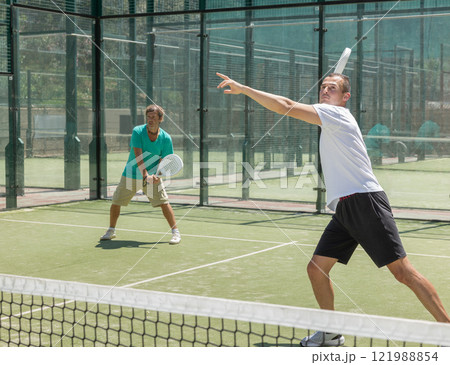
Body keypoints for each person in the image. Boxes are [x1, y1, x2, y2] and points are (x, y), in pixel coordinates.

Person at [216, 72, 449, 346]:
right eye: (324, 87)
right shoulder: (329, 118)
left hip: (365, 201)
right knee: (316, 269)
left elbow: (286, 105)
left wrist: (245, 89)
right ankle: (330, 332)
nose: (326, 91)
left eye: (333, 88)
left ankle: (446, 329)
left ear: (345, 97)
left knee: (402, 273)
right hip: (345, 208)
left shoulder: (338, 116)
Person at [100, 104, 181, 245]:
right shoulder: (138, 131)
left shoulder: (166, 138)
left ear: (160, 119)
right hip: (131, 174)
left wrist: (158, 176)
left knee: (164, 203)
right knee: (116, 201)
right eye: (148, 117)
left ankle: (175, 233)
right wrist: (146, 176)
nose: (150, 120)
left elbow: (167, 161)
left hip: (151, 177)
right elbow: (138, 156)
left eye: (153, 117)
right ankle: (111, 230)